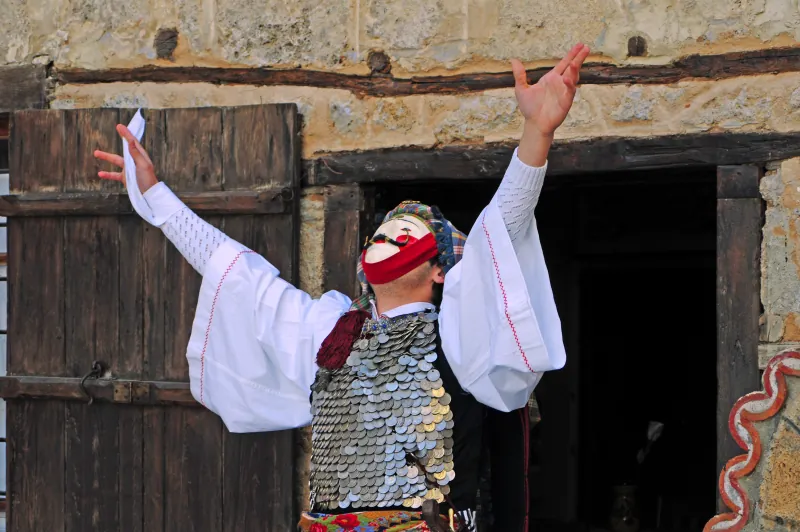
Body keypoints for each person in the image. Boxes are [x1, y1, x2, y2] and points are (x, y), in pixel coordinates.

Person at [94, 43, 590, 532]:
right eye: (383, 231)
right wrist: (159, 198)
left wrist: (536, 134)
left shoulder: (462, 334)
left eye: (409, 231)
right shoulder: (331, 331)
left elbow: (500, 226)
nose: (390, 233)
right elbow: (234, 270)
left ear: (442, 270)